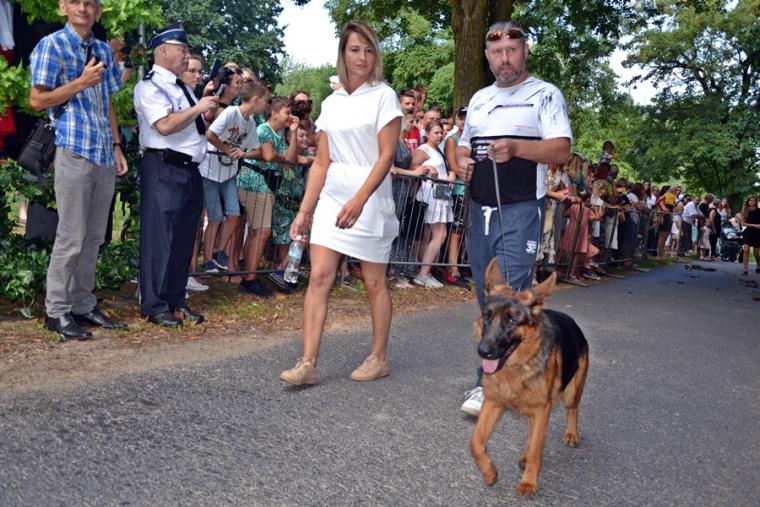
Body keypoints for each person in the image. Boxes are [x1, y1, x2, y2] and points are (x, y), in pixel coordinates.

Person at [454, 21, 572, 416]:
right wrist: (460, 161)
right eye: (497, 52)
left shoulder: (545, 94)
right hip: (479, 209)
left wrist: (518, 148)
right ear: (487, 56)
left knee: (507, 297)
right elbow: (463, 146)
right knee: (486, 298)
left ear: (525, 51)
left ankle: (487, 385)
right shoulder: (480, 98)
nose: (505, 59)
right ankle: (511, 374)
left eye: (512, 50)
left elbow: (561, 150)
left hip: (521, 209)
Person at [280, 21, 402, 385]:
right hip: (333, 194)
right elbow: (322, 161)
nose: (362, 57)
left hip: (370, 195)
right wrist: (305, 210)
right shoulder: (331, 103)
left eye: (368, 50)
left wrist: (360, 200)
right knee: (319, 276)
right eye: (354, 50)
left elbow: (386, 156)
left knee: (374, 281)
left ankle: (379, 357)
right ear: (343, 54)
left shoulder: (384, 96)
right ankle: (307, 362)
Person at [30, 0, 129, 339]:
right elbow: (37, 100)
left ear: (98, 11)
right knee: (71, 236)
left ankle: (82, 305)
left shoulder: (101, 50)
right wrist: (80, 83)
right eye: (76, 2)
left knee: (94, 237)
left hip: (103, 153)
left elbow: (108, 101)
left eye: (90, 3)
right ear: (63, 7)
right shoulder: (52, 45)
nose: (83, 8)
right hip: (72, 148)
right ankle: (56, 310)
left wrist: (117, 145)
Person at [133, 23, 220, 327]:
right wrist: (199, 108)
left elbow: (194, 128)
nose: (186, 55)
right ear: (163, 51)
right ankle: (154, 305)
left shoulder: (181, 87)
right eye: (181, 49)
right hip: (164, 167)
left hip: (189, 170)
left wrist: (204, 105)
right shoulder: (150, 86)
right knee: (159, 240)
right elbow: (165, 125)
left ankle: (175, 301)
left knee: (183, 240)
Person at [201, 80, 268, 279]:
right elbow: (210, 134)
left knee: (234, 214)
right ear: (255, 99)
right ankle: (208, 261)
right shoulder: (231, 112)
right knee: (215, 217)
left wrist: (243, 154)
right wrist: (227, 150)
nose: (267, 104)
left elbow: (258, 150)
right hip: (210, 172)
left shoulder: (251, 123)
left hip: (229, 174)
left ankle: (219, 252)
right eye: (265, 100)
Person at [411, 120, 454, 288]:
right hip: (431, 195)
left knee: (430, 234)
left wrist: (450, 174)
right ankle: (423, 273)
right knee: (439, 234)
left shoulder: (438, 150)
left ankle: (424, 271)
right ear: (427, 133)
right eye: (436, 132)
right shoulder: (423, 149)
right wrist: (428, 168)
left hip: (441, 194)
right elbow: (414, 167)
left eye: (441, 132)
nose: (440, 135)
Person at [740, 195, 760, 275]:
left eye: (753, 200)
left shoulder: (759, 211)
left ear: (756, 202)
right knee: (746, 250)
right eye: (750, 200)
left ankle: (758, 265)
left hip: (758, 233)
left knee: (756, 253)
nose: (752, 202)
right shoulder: (745, 210)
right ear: (748, 201)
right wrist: (754, 225)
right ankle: (745, 270)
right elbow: (743, 223)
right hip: (748, 232)